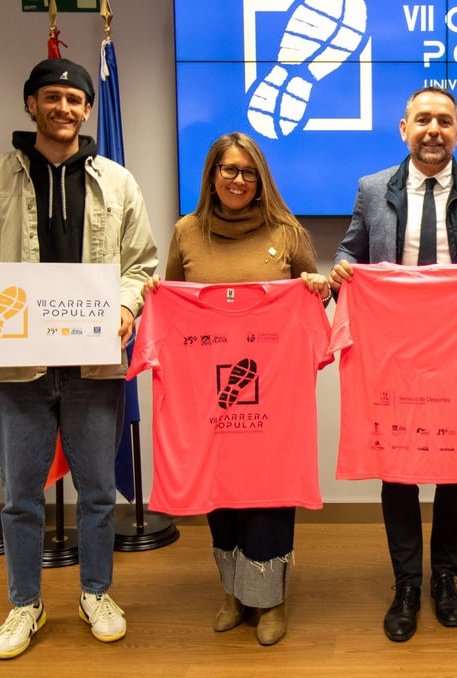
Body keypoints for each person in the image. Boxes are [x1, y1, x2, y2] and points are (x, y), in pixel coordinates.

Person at [0, 58, 158, 660]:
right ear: (31, 103)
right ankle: (25, 604)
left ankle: (96, 593)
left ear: (88, 110)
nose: (64, 107)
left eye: (74, 99)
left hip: (94, 367)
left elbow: (140, 263)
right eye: (52, 97)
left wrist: (127, 307)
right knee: (19, 497)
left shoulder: (117, 182)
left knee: (97, 492)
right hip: (18, 366)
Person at [328, 85, 457, 642]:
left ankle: (445, 578)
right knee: (398, 471)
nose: (433, 129)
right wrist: (341, 269)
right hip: (393, 358)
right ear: (404, 128)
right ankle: (406, 584)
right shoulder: (372, 188)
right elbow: (350, 249)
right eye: (423, 120)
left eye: (444, 120)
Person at [142, 132, 329, 646]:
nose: (238, 180)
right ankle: (233, 593)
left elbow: (312, 306)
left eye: (248, 171)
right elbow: (174, 302)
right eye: (229, 169)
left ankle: (270, 601)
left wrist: (319, 288)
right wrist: (155, 292)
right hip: (208, 395)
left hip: (272, 395)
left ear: (261, 178)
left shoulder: (287, 232)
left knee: (269, 493)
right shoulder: (186, 232)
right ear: (212, 176)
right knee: (219, 490)